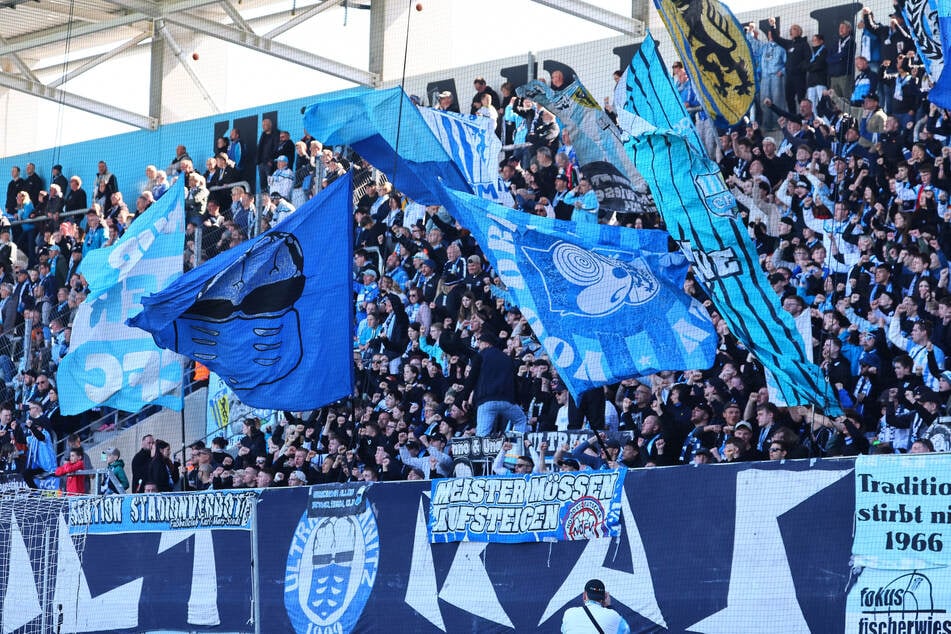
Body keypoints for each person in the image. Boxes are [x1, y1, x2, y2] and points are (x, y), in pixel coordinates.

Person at [561, 579, 630, 633]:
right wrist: (609, 606)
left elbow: (564, 631)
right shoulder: (614, 615)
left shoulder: (569, 613)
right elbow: (626, 631)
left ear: (584, 595)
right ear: (604, 597)